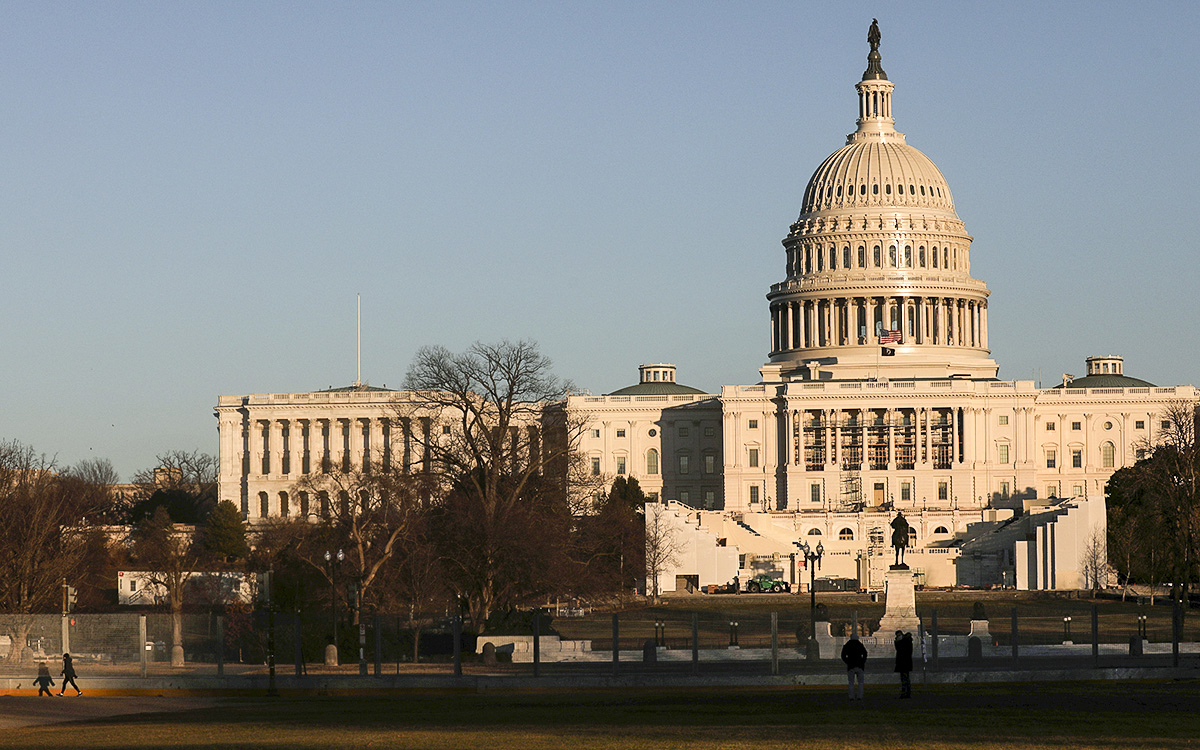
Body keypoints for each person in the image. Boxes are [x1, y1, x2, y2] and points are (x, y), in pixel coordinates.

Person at [840, 635, 868, 700]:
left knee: (851, 683)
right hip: (860, 665)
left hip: (850, 666)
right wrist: (862, 661)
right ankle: (860, 696)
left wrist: (847, 662)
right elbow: (865, 653)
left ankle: (851, 697)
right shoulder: (860, 645)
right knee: (860, 682)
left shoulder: (847, 645)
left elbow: (843, 655)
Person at [893, 630, 913, 699]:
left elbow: (900, 650)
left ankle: (905, 692)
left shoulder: (904, 643)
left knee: (904, 678)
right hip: (905, 663)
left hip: (903, 663)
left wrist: (897, 642)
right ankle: (907, 692)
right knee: (905, 678)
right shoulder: (907, 642)